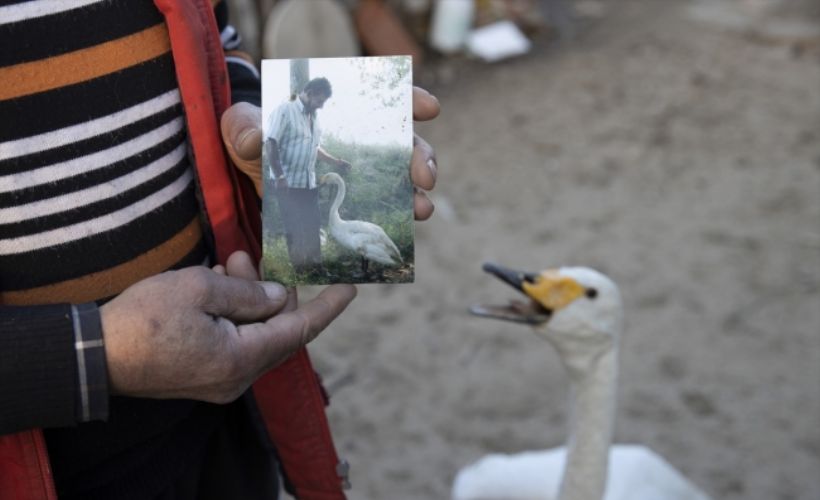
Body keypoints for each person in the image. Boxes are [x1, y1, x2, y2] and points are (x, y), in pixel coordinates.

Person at [0, 1, 440, 499]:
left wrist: (246, 109)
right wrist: (88, 355)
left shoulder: (303, 115)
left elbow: (218, 38)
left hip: (221, 426)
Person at [264, 77, 352, 275]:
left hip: (308, 183)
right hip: (286, 184)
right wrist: (279, 177)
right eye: (320, 101)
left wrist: (336, 162)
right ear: (310, 92)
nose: (321, 106)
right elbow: (270, 143)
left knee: (313, 224)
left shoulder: (314, 117)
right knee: (293, 227)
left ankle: (317, 267)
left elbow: (315, 147)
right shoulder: (284, 111)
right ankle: (300, 270)